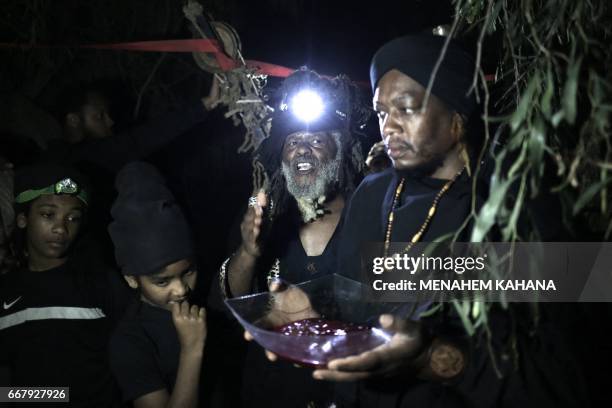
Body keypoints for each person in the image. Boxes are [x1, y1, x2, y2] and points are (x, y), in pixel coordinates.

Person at [312, 33, 587, 407]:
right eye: (381, 112)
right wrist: (310, 310)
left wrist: (430, 358)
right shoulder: (370, 195)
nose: (388, 127)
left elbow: (566, 377)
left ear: (456, 112)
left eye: (406, 108)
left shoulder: (517, 208)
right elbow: (344, 295)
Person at [218, 69, 366, 407]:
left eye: (316, 141)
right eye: (293, 142)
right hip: (273, 390)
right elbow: (231, 301)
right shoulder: (262, 217)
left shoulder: (372, 212)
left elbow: (494, 274)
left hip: (352, 390)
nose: (302, 150)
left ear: (339, 151)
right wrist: (247, 252)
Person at [0, 162, 127, 407]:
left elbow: (137, 361)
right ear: (23, 219)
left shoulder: (100, 281)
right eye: (48, 214)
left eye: (73, 218)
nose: (61, 228)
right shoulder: (6, 291)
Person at [108, 162, 207, 408]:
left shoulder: (206, 306)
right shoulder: (130, 341)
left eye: (188, 272)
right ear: (132, 279)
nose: (181, 290)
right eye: (162, 281)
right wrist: (192, 349)